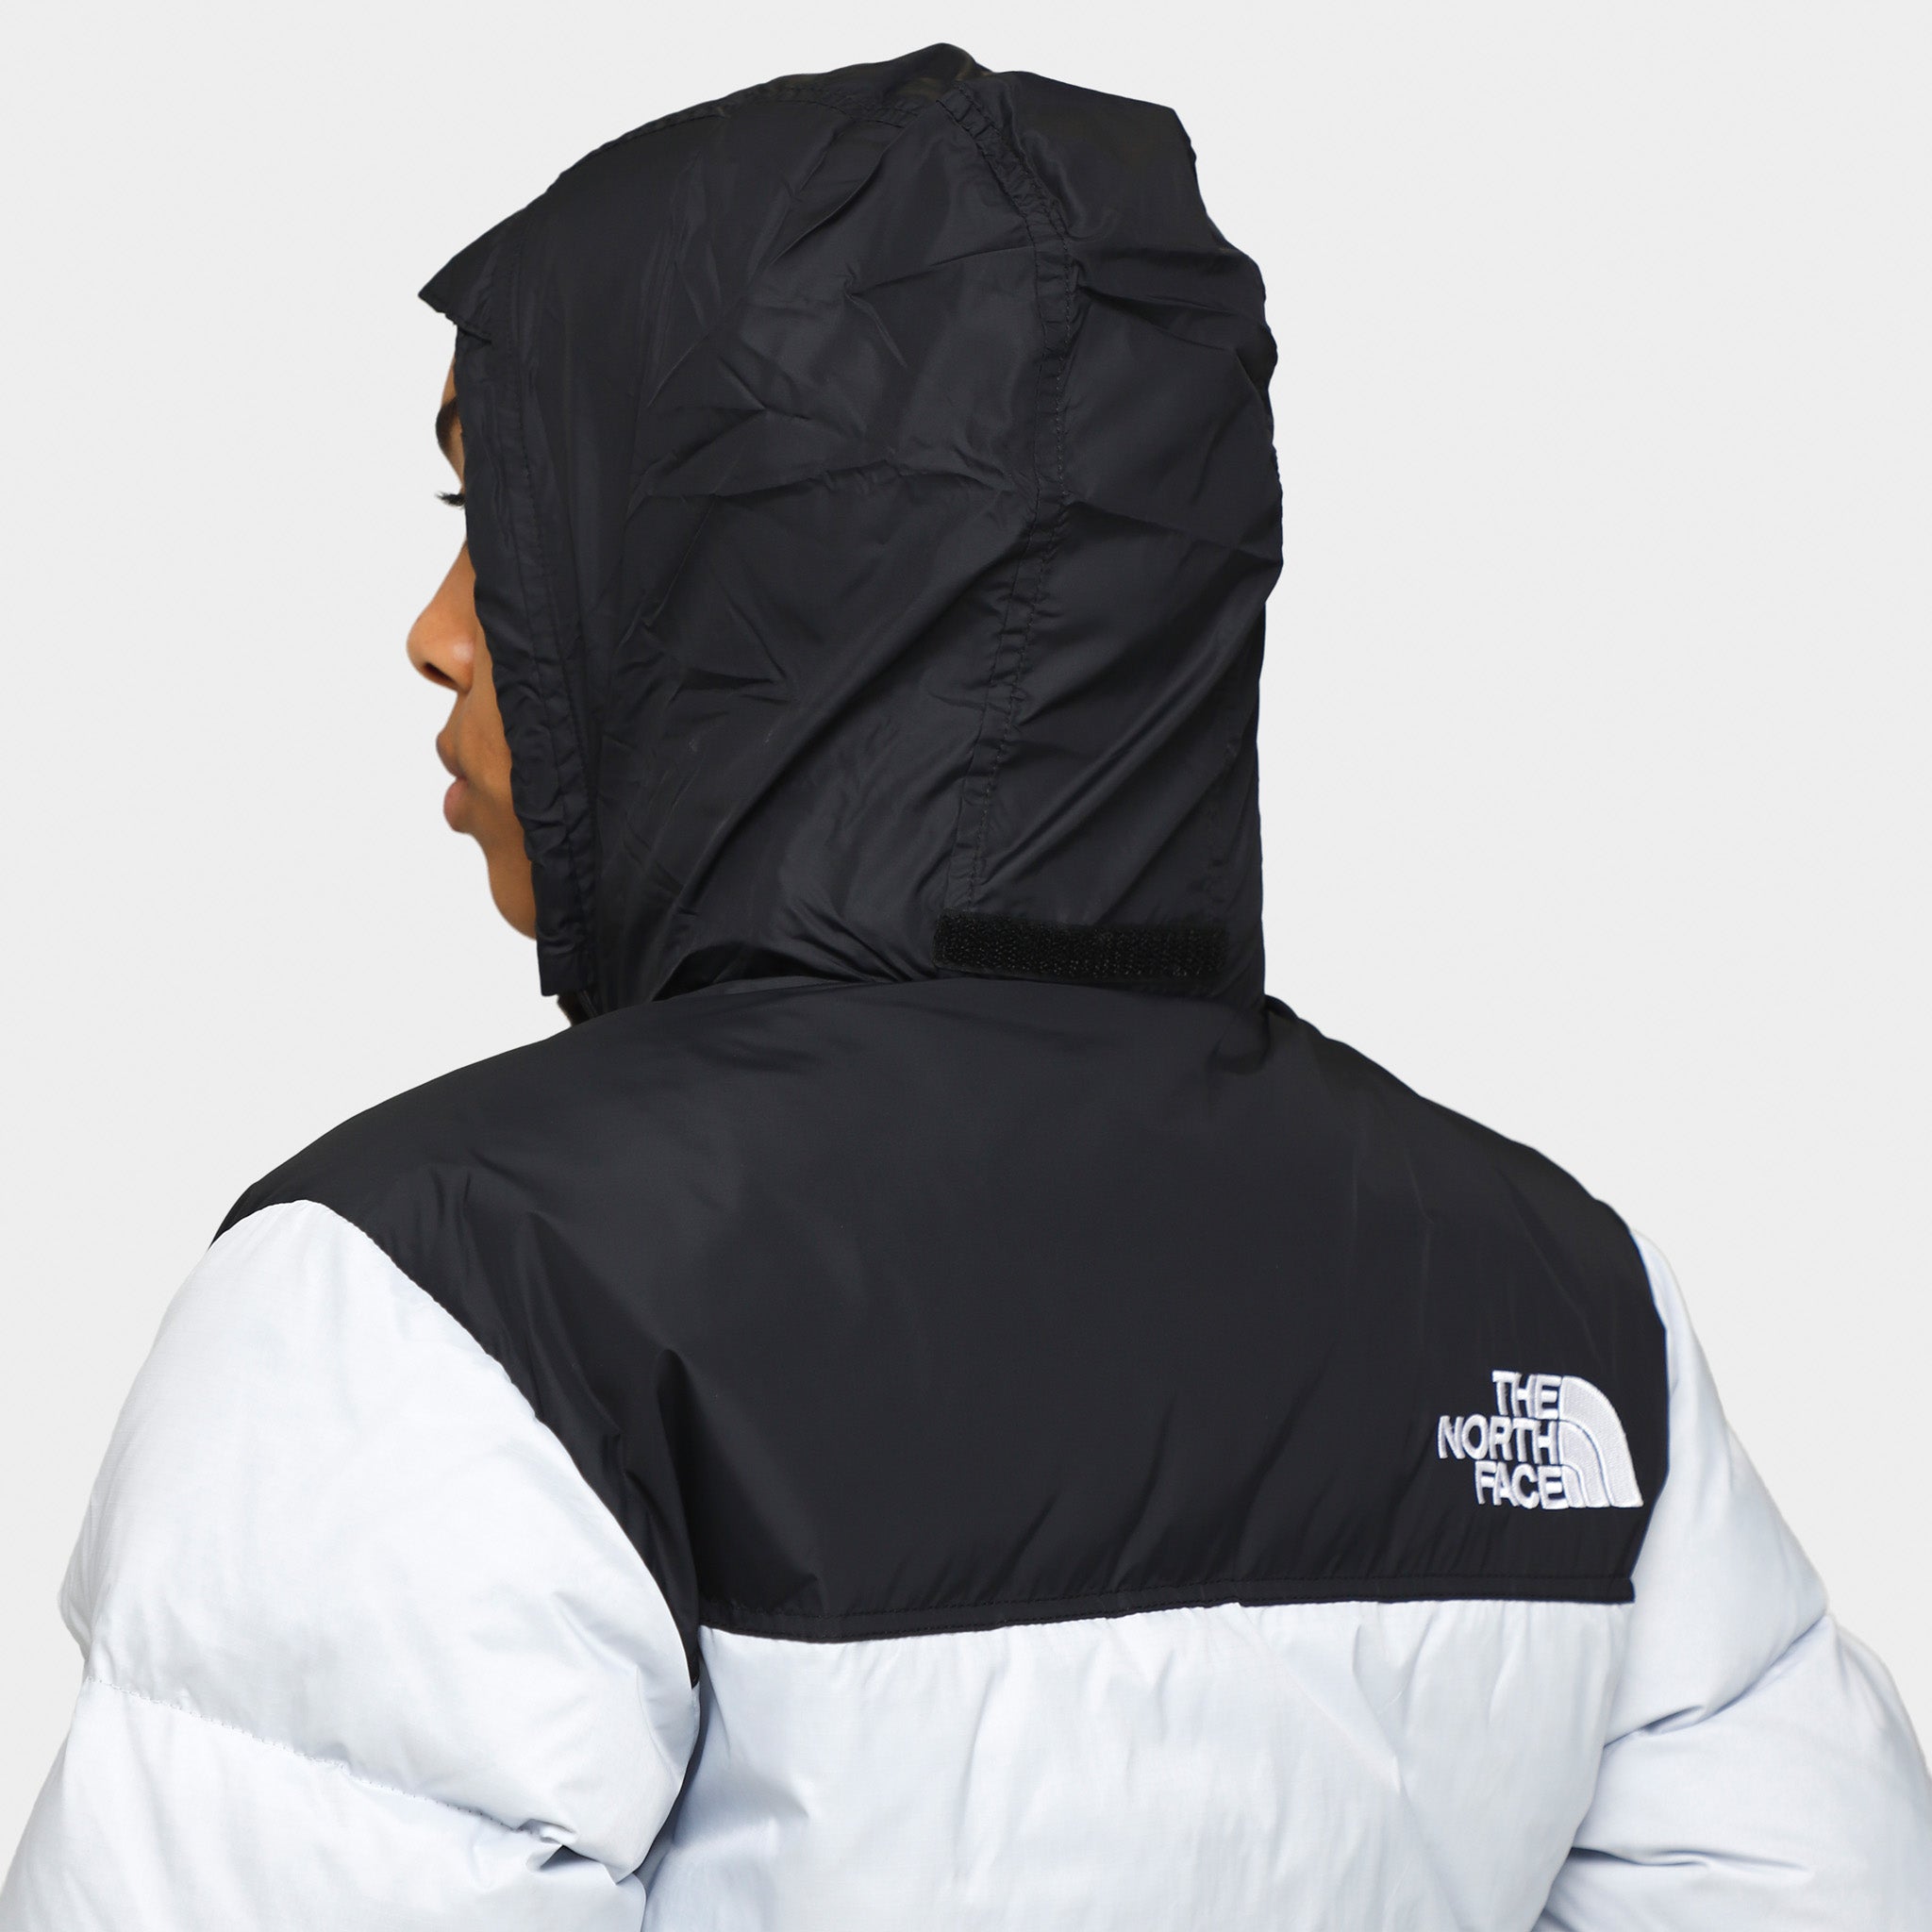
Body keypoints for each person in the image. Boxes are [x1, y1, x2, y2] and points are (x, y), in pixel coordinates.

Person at [3, 42, 1927, 1932]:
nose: (435, 638)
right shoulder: (1566, 1305)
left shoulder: (443, 1306)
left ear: (720, 573)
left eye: (489, 527)